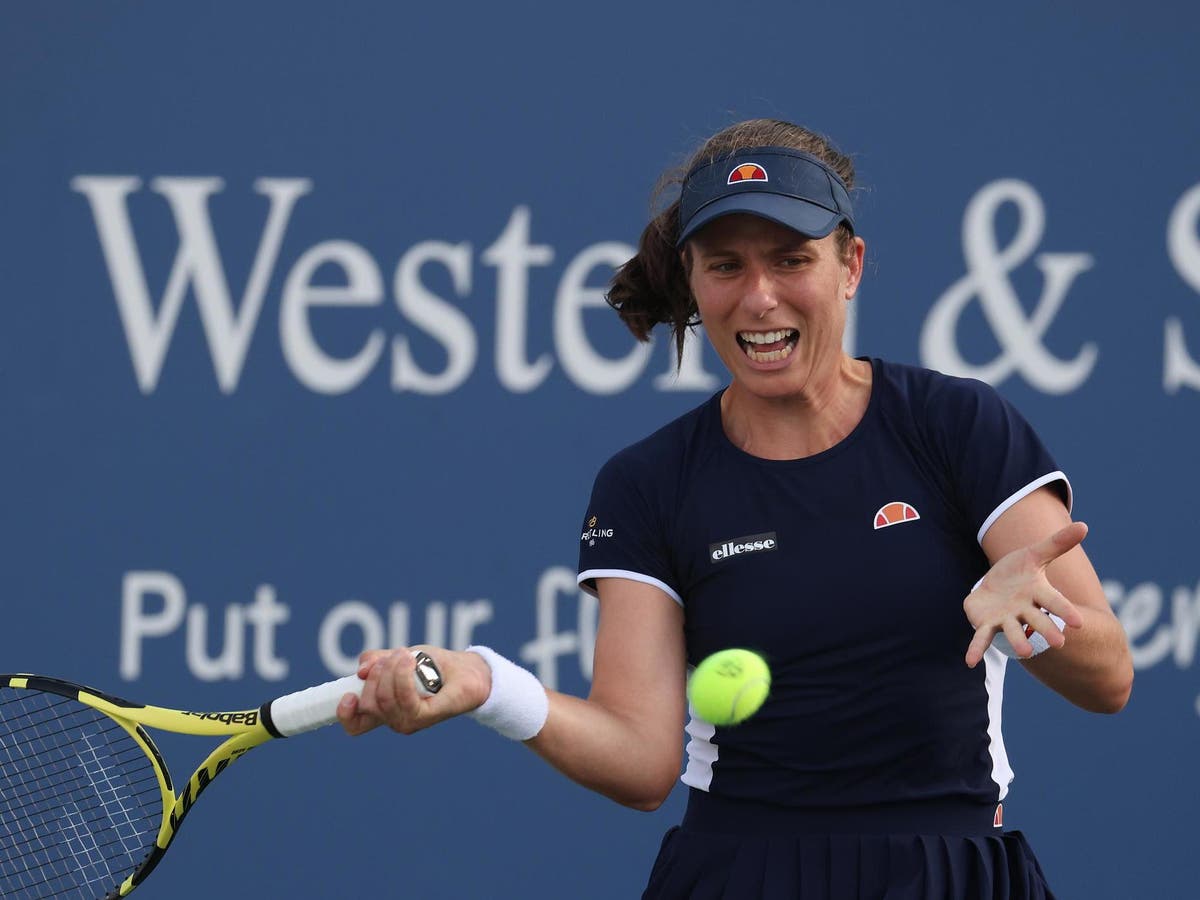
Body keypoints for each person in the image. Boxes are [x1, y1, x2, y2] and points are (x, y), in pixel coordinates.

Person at [336, 118, 1133, 899]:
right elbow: (645, 765)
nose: (760, 298)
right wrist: (488, 685)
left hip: (947, 872)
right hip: (739, 874)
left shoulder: (957, 425)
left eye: (792, 260)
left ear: (850, 265)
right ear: (692, 280)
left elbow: (1109, 679)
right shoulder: (648, 483)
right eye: (726, 266)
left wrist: (1033, 624)